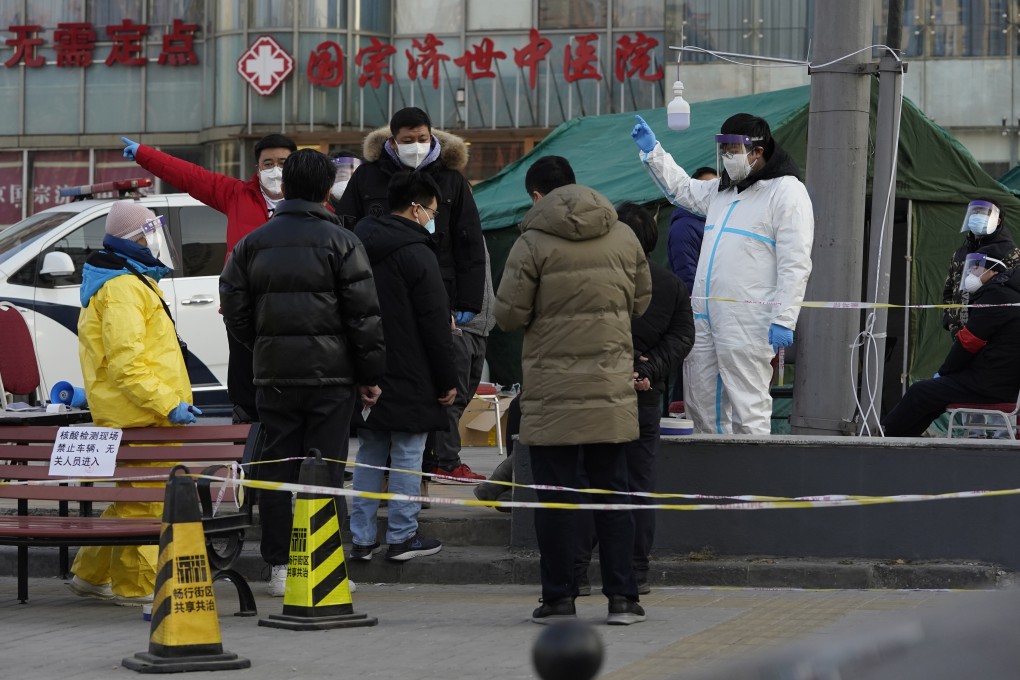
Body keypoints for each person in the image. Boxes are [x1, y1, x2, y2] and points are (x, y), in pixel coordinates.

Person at [219, 149, 386, 596]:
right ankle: (323, 565)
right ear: (328, 190)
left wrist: (263, 346)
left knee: (276, 471)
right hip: (332, 380)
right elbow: (364, 318)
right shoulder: (344, 242)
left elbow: (233, 309)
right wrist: (369, 375)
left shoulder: (251, 243)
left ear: (286, 186)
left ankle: (277, 567)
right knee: (325, 471)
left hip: (273, 379)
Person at [493, 155, 651, 626]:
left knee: (556, 498)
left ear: (537, 195)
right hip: (609, 389)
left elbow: (508, 316)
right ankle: (623, 599)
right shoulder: (623, 234)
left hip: (552, 394)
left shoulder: (532, 242)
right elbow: (641, 300)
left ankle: (559, 599)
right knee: (613, 496)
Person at [632, 113, 814, 435]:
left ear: (757, 151)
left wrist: (785, 317)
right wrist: (653, 152)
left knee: (748, 407)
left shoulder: (787, 193)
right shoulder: (723, 191)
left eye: (733, 150)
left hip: (747, 320)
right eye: (724, 149)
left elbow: (795, 261)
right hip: (704, 317)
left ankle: (753, 483)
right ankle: (711, 483)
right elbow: (682, 190)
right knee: (700, 405)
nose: (727, 157)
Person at [334, 106, 488, 482]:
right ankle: (398, 471)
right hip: (378, 295)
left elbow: (469, 245)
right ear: (392, 141)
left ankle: (439, 461)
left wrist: (467, 303)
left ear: (432, 137)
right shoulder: (368, 177)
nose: (415, 147)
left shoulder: (450, 180)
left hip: (441, 295)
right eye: (407, 141)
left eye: (422, 139)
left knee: (442, 384)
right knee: (389, 384)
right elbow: (345, 233)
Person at [69, 201, 200, 606]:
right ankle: (138, 585)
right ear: (133, 239)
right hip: (143, 415)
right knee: (145, 502)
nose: (154, 242)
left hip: (139, 413)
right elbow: (127, 364)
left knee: (133, 496)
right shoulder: (124, 287)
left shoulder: (126, 280)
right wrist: (168, 403)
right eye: (148, 234)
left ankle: (90, 574)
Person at [121, 133, 298, 424]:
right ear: (257, 168)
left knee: (294, 390)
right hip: (246, 310)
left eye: (283, 162)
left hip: (298, 311)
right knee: (246, 386)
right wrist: (144, 154)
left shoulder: (317, 202)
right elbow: (190, 176)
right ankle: (247, 450)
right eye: (268, 163)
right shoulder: (237, 194)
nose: (275, 169)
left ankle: (295, 458)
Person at [574, 201, 694, 596]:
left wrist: (629, 366)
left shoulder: (590, 278)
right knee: (638, 485)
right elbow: (682, 338)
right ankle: (636, 571)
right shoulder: (670, 285)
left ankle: (575, 572)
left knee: (588, 482)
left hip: (594, 398)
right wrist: (647, 370)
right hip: (643, 401)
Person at [347, 170, 457, 562]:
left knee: (369, 452)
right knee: (409, 452)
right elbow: (434, 322)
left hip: (368, 366)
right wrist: (447, 379)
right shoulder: (417, 252)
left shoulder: (357, 244)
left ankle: (360, 539)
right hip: (413, 370)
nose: (433, 216)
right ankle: (402, 536)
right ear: (415, 208)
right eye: (431, 209)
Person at [882, 248, 1020, 436]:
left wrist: (945, 373)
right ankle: (901, 442)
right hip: (1002, 383)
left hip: (989, 384)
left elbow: (969, 342)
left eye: (977, 269)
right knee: (934, 397)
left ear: (994, 271)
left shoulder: (997, 296)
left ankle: (883, 438)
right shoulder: (1010, 295)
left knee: (920, 391)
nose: (971, 273)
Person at [426, 244, 496, 483]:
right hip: (460, 328)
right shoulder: (451, 228)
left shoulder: (477, 232)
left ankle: (440, 459)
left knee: (463, 398)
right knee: (452, 399)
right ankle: (446, 463)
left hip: (481, 328)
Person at [666, 166, 717, 410]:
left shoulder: (715, 223)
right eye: (705, 187)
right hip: (696, 316)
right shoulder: (685, 226)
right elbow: (688, 276)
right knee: (691, 379)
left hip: (715, 315)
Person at [941, 199, 1020, 339]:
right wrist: (950, 320)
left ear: (997, 221)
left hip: (993, 333)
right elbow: (949, 290)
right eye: (974, 212)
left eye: (983, 213)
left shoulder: (1010, 253)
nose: (977, 215)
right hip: (959, 333)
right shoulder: (960, 253)